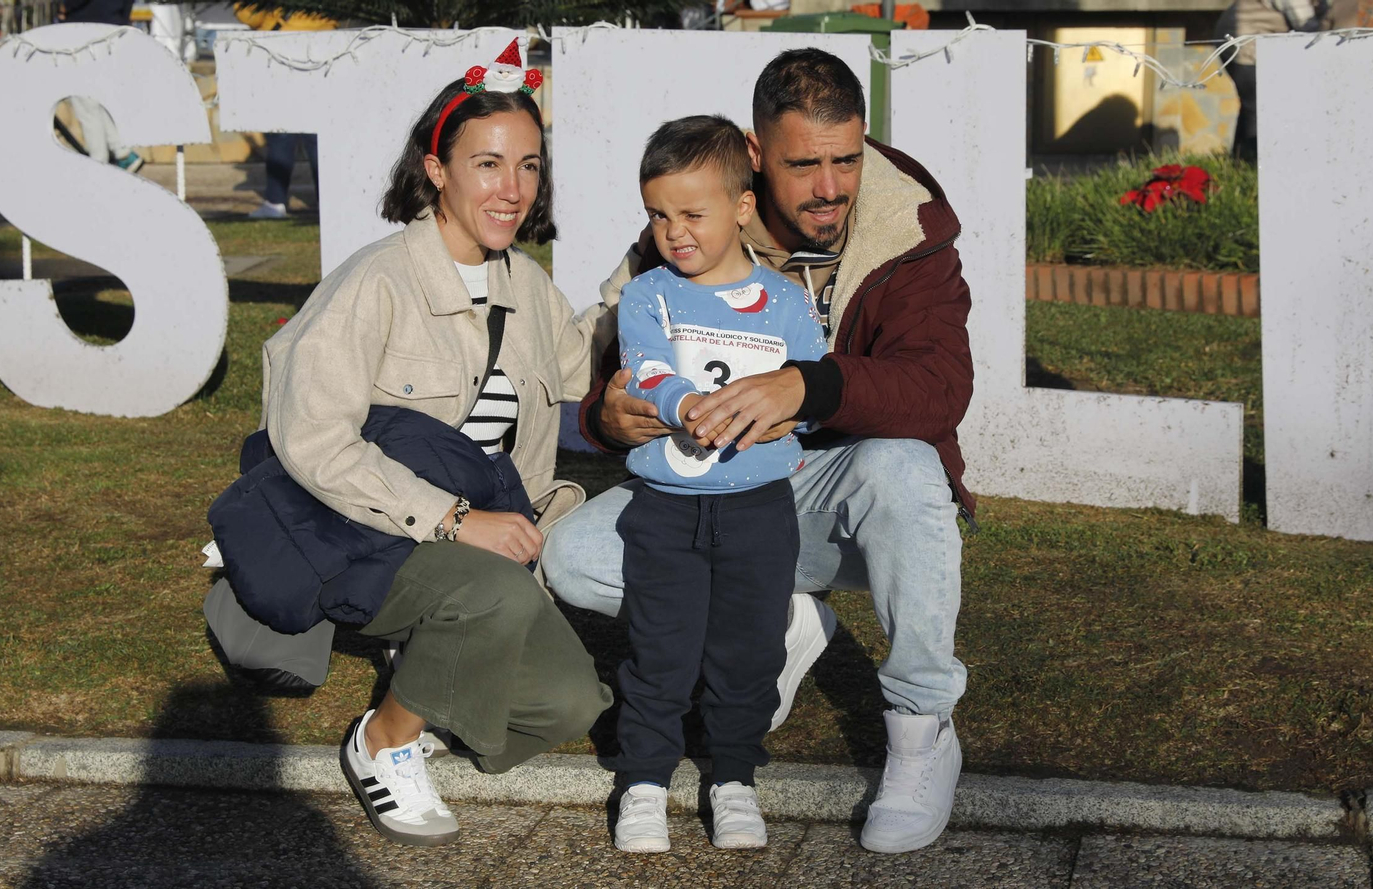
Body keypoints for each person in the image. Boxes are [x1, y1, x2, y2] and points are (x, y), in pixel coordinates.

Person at [541, 47, 975, 854]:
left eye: (845, 159)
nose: (829, 187)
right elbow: (609, 364)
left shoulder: (909, 227)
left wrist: (806, 387)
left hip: (837, 484)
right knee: (571, 559)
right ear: (753, 154)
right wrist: (611, 415)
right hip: (712, 488)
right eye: (803, 163)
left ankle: (922, 729)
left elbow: (940, 388)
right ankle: (772, 613)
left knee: (910, 468)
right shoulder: (691, 214)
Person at [248, 41, 611, 846]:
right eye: (486, 164)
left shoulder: (528, 286)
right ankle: (383, 739)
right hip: (369, 539)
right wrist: (451, 518)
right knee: (498, 591)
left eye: (527, 165)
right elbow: (310, 435)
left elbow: (586, 365)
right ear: (437, 169)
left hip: (478, 553)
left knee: (570, 703)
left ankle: (426, 673)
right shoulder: (375, 281)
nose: (511, 188)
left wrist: (659, 267)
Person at [608, 115, 828, 855]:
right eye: (657, 215)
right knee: (659, 649)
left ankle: (733, 777)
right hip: (666, 509)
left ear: (741, 207)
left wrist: (785, 416)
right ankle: (642, 780)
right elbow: (645, 368)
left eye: (692, 214)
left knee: (748, 649)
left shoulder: (789, 304)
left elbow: (810, 390)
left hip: (759, 511)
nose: (674, 232)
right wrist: (682, 405)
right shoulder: (649, 296)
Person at [232, 3, 335, 220]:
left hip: (281, 57)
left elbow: (250, 16)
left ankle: (275, 201)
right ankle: (328, 202)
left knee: (280, 134)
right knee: (317, 139)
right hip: (321, 55)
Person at [1216, 0, 1331, 161]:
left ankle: (1238, 161)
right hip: (1245, 46)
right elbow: (1307, 26)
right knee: (1259, 107)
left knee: (1251, 107)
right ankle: (1253, 165)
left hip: (1237, 41)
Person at [58, 0, 143, 173]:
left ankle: (100, 163)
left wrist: (65, 6)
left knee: (84, 100)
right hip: (112, 31)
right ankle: (122, 153)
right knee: (98, 97)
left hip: (84, 32)